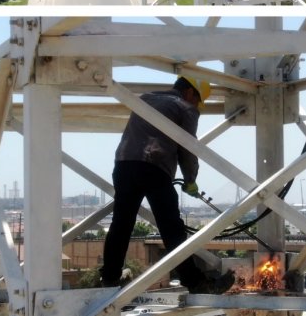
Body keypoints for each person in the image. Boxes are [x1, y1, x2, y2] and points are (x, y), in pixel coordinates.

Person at [100, 76, 235, 294]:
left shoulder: (145, 98)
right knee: (172, 228)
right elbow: (187, 148)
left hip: (124, 165)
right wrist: (190, 179)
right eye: (197, 99)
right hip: (154, 167)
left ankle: (109, 278)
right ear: (190, 92)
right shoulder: (186, 108)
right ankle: (196, 283)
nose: (195, 105)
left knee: (121, 223)